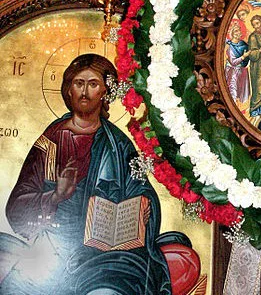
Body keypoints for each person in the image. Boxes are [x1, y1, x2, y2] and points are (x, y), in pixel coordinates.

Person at [0, 54, 171, 295]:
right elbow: (16, 207)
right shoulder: (50, 142)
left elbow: (142, 191)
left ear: (105, 93)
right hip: (54, 249)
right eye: (78, 83)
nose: (84, 91)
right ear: (68, 90)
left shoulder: (118, 145)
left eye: (93, 84)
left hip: (106, 256)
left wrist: (144, 206)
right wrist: (55, 196)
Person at [225, 23, 250, 107]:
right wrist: (243, 57)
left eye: (239, 30)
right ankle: (233, 106)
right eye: (236, 31)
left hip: (242, 70)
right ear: (232, 33)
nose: (238, 32)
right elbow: (233, 62)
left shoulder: (243, 44)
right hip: (232, 71)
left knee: (242, 90)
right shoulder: (230, 47)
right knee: (233, 89)